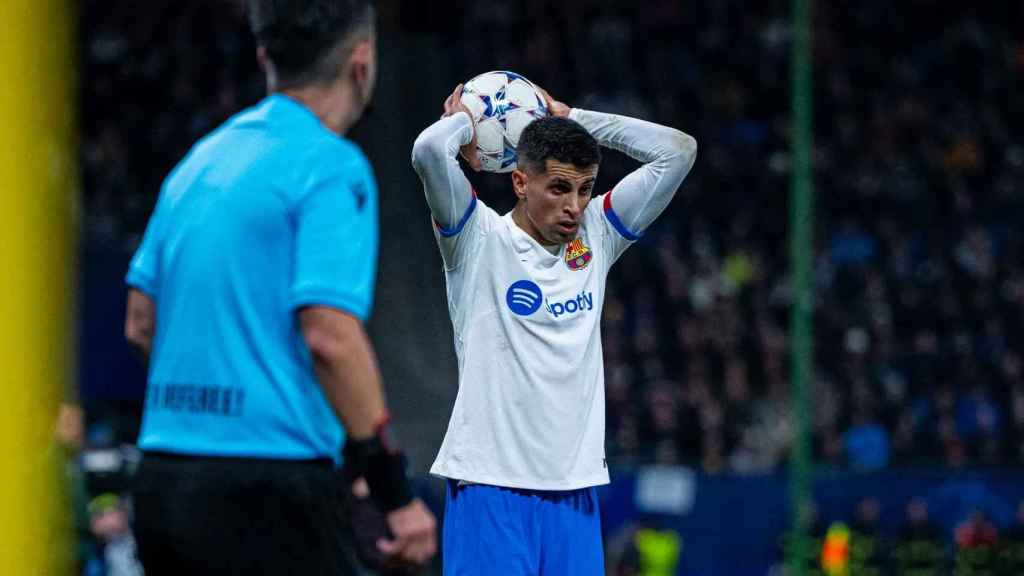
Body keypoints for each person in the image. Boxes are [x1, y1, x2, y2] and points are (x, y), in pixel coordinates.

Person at [123, 1, 435, 574]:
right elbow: (330, 339)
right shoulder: (332, 166)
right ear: (361, 63)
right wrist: (394, 493)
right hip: (270, 492)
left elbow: (141, 322)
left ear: (266, 57)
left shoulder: (197, 162)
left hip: (162, 482)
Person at [411, 82, 697, 574]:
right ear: (521, 183)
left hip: (574, 490)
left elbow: (677, 152)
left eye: (585, 189)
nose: (575, 206)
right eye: (559, 188)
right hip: (489, 485)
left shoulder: (597, 236)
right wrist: (467, 122)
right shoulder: (477, 238)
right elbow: (428, 151)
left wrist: (568, 117)